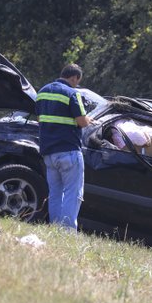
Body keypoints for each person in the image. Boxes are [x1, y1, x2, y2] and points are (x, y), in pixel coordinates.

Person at [35, 64, 92, 231]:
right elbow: (82, 121)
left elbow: (40, 119)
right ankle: (67, 232)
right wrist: (89, 120)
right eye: (77, 81)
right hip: (68, 151)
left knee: (55, 193)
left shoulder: (42, 92)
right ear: (74, 78)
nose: (76, 84)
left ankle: (55, 228)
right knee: (72, 194)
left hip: (48, 153)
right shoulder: (72, 93)